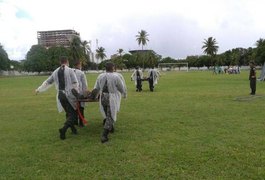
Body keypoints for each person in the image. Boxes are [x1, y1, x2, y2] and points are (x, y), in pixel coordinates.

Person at [35, 56, 79, 140]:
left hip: (60, 95)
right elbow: (75, 83)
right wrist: (77, 93)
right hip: (68, 95)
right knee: (73, 115)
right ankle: (63, 129)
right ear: (67, 62)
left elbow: (48, 82)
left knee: (68, 113)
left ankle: (73, 129)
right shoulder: (70, 70)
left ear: (60, 62)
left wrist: (39, 89)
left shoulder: (55, 72)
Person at [93, 62, 127, 143]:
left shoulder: (100, 76)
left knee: (107, 114)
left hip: (103, 97)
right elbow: (121, 88)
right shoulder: (116, 77)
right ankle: (104, 135)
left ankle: (111, 128)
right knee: (110, 116)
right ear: (113, 68)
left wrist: (95, 95)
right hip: (111, 97)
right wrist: (124, 94)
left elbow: (96, 87)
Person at [73, 61, 88, 127]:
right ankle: (81, 122)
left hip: (71, 92)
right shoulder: (81, 73)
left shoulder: (70, 71)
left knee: (73, 107)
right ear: (79, 65)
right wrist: (85, 94)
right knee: (81, 108)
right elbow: (84, 84)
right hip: (79, 92)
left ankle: (75, 121)